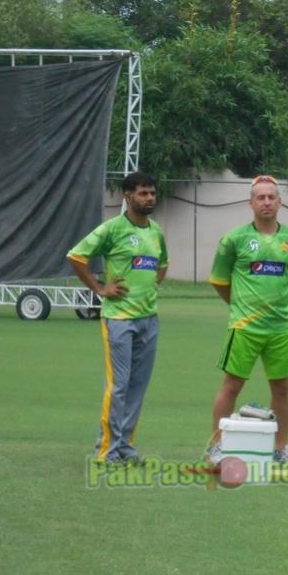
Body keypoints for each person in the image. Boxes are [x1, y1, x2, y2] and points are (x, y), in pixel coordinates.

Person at [206, 175, 288, 466]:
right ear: (250, 203)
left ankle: (281, 447)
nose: (266, 202)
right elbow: (219, 281)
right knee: (231, 386)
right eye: (260, 197)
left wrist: (275, 306)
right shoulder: (234, 239)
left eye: (271, 197)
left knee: (282, 389)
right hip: (244, 328)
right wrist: (240, 306)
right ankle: (216, 445)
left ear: (280, 201)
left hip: (281, 329)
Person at [68, 171, 168, 465]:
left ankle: (125, 447)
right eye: (143, 193)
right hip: (119, 320)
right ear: (128, 197)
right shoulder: (112, 229)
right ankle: (106, 451)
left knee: (138, 386)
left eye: (152, 193)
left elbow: (162, 264)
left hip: (149, 319)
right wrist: (100, 287)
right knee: (118, 385)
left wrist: (149, 288)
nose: (149, 198)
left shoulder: (156, 232)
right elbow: (76, 256)